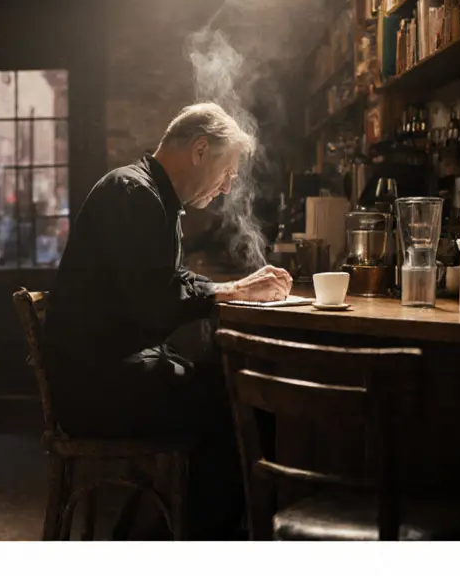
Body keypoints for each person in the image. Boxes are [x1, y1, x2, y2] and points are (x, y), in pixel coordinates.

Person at [46, 102, 292, 539]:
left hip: (106, 375)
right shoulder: (133, 193)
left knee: (230, 385)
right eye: (228, 171)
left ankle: (166, 531)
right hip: (95, 389)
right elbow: (152, 303)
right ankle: (203, 542)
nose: (228, 185)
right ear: (200, 149)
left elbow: (165, 280)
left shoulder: (152, 195)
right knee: (244, 402)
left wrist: (231, 286)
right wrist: (229, 291)